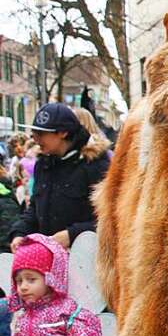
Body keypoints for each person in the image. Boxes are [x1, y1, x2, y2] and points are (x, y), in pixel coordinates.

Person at [8, 103, 110, 250]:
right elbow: (35, 209)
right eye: (34, 133)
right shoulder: (43, 164)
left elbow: (111, 217)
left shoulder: (96, 165)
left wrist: (72, 234)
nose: (36, 139)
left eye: (41, 134)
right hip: (49, 257)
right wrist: (19, 232)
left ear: (62, 133)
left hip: (87, 257)